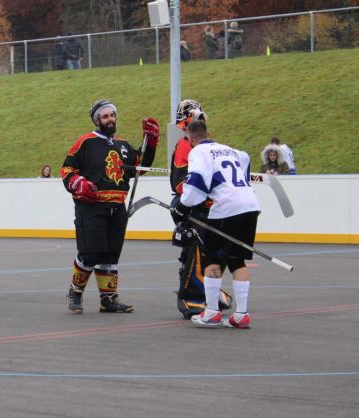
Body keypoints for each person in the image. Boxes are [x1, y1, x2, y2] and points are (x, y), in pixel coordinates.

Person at [62, 100, 159, 313]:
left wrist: (150, 143)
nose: (110, 119)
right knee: (90, 253)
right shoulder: (85, 142)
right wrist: (78, 183)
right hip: (91, 207)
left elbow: (138, 168)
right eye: (105, 116)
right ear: (97, 120)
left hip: (117, 207)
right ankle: (74, 293)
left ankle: (108, 299)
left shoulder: (123, 145)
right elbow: (67, 170)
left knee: (111, 255)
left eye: (112, 115)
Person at [177, 120, 260, 329]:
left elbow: (196, 182)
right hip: (249, 206)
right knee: (237, 260)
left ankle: (212, 313)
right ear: (209, 133)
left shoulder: (198, 152)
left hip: (226, 208)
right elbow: (245, 159)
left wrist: (183, 206)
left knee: (212, 260)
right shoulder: (231, 151)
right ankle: (241, 314)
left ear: (190, 139)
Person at [169, 99, 231, 319]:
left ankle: (208, 290)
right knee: (195, 252)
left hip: (209, 207)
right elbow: (179, 182)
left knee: (213, 253)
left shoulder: (205, 145)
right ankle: (192, 296)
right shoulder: (185, 146)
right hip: (193, 207)